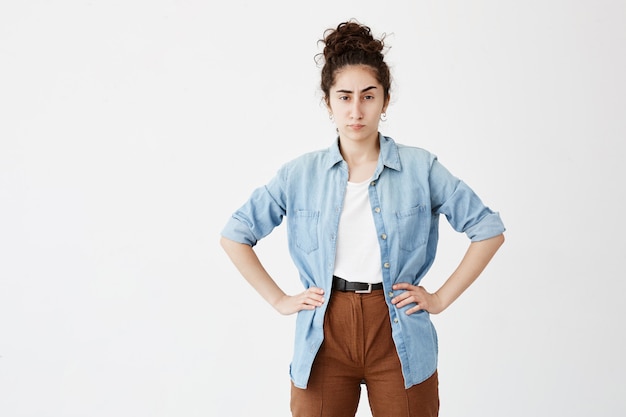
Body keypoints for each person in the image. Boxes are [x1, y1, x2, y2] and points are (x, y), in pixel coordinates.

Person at [220, 19, 505, 417]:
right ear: (328, 102)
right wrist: (279, 300)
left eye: (368, 97)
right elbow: (236, 234)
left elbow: (488, 229)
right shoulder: (299, 174)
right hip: (324, 332)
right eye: (344, 97)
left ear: (385, 101)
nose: (356, 110)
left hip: (397, 330)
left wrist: (439, 298)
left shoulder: (420, 168)